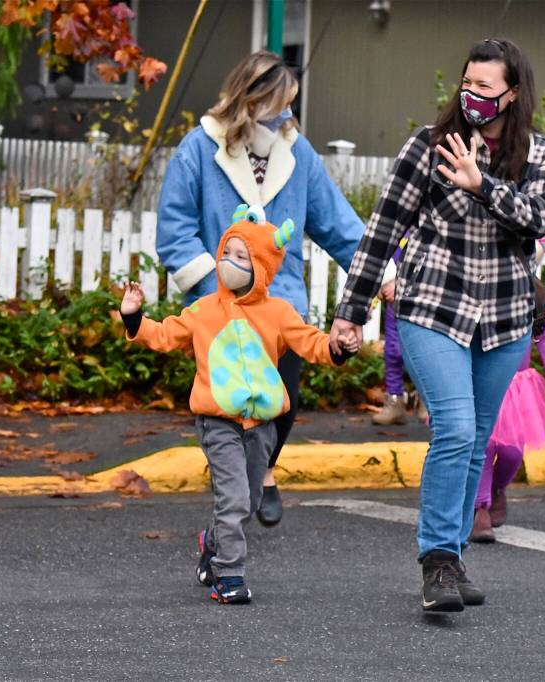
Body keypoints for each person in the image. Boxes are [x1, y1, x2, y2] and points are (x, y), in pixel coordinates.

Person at [330, 38, 545, 612]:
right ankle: (436, 559)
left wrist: (482, 185)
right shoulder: (429, 145)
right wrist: (350, 312)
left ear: (513, 93)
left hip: (504, 318)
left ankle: (453, 558)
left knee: (478, 439)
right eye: (467, 83)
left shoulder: (541, 154)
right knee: (455, 429)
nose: (472, 94)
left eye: (485, 86)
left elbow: (538, 219)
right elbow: (383, 228)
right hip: (432, 306)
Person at [154, 51, 364, 526]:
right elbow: (175, 229)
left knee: (282, 400)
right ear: (252, 98)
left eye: (291, 102)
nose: (287, 112)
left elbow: (337, 224)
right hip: (219, 305)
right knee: (227, 405)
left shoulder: (297, 153)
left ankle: (264, 469)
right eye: (280, 101)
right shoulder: (199, 148)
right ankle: (238, 488)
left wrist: (381, 273)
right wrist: (213, 284)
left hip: (279, 301)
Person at [120, 205, 358, 604]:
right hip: (218, 423)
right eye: (226, 252)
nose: (229, 262)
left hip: (261, 426)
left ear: (261, 267)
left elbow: (311, 343)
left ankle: (211, 542)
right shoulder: (203, 310)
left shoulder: (279, 313)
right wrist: (133, 318)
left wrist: (337, 347)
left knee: (247, 503)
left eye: (242, 256)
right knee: (232, 500)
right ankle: (228, 575)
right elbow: (164, 335)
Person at [469, 237, 545, 543]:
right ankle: (479, 508)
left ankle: (498, 487)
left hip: (517, 387)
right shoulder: (482, 291)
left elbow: (544, 337)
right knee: (485, 446)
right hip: (484, 379)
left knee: (512, 451)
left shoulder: (531, 299)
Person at [372, 231, 427, 425]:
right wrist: (383, 282)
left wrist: (401, 283)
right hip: (394, 302)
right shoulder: (395, 227)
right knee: (393, 351)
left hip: (423, 301)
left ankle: (427, 400)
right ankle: (394, 400)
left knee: (424, 351)